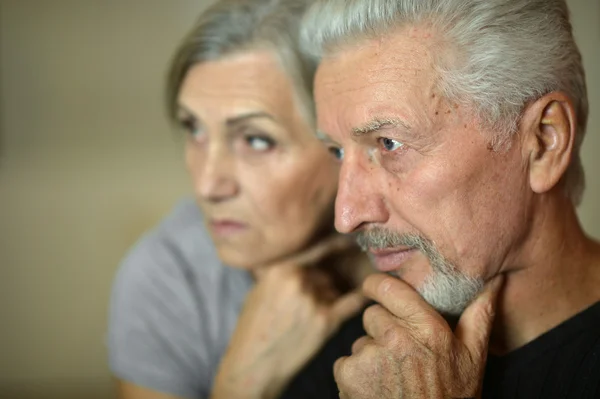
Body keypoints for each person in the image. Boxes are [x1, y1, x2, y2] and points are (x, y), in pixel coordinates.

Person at [301, 0, 600, 397]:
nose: (346, 215)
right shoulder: (361, 354)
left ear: (544, 142)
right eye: (337, 152)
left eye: (389, 143)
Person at [107, 1, 372, 398]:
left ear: (339, 145)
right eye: (193, 129)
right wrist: (244, 382)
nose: (207, 185)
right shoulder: (170, 276)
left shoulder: (430, 255)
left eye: (256, 140)